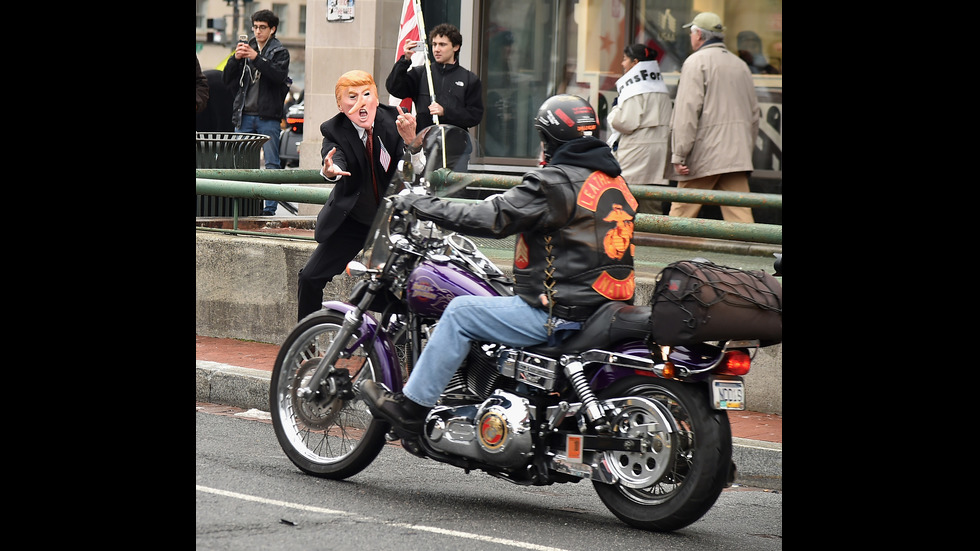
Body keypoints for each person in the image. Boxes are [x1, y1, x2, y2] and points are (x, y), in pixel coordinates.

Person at [360, 94, 638, 435]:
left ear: (550, 139)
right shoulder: (613, 180)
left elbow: (493, 217)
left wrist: (423, 205)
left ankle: (412, 408)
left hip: (560, 313)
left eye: (542, 138)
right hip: (604, 307)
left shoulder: (554, 181)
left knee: (461, 312)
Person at [296, 70, 421, 321]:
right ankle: (305, 344)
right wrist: (330, 171)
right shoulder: (334, 129)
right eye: (351, 97)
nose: (361, 102)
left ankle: (395, 343)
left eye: (367, 94)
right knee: (309, 277)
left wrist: (412, 143)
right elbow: (333, 156)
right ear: (341, 106)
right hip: (353, 220)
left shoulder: (395, 121)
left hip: (391, 222)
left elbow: (415, 170)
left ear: (376, 98)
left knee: (400, 288)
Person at [667, 12, 761, 223]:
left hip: (704, 155)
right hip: (736, 156)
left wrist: (679, 154)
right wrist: (745, 151)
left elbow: (687, 113)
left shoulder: (695, 62)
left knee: (679, 216)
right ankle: (750, 257)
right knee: (741, 220)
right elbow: (755, 116)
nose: (691, 37)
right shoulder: (741, 65)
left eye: (691, 32)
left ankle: (664, 258)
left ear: (699, 34)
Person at [385, 23, 484, 172]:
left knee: (452, 193)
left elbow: (474, 116)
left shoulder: (469, 78)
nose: (437, 49)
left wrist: (446, 112)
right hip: (424, 150)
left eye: (442, 44)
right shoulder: (421, 74)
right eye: (434, 44)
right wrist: (404, 60)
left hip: (456, 153)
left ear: (456, 47)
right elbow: (394, 87)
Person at [223, 9, 291, 216]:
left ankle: (269, 209)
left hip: (267, 117)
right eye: (255, 27)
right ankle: (240, 207)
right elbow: (227, 79)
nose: (258, 31)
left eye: (263, 27)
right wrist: (235, 59)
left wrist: (256, 58)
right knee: (239, 163)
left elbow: (278, 76)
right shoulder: (246, 48)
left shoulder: (280, 52)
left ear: (273, 29)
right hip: (243, 115)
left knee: (271, 163)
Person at [606, 43, 673, 215]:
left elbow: (625, 122)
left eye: (624, 59)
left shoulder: (634, 89)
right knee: (652, 205)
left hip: (635, 153)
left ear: (635, 62)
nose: (622, 64)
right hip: (657, 153)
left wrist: (614, 110)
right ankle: (654, 241)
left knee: (626, 205)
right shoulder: (660, 86)